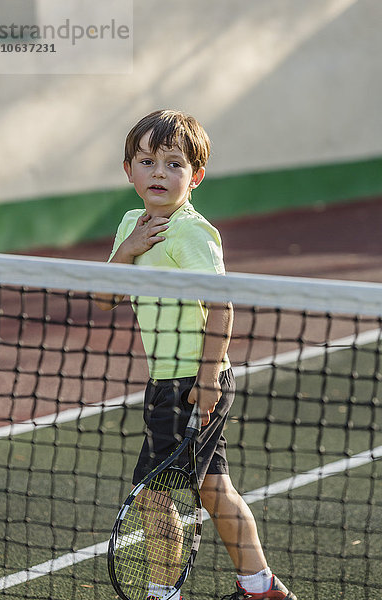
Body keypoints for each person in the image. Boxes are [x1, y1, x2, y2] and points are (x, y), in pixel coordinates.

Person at [95, 109, 297, 600]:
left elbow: (221, 307)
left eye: (173, 163)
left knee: (153, 495)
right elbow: (104, 295)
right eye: (147, 161)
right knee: (213, 488)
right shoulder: (132, 223)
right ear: (129, 171)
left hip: (191, 382)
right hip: (168, 380)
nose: (159, 172)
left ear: (195, 176)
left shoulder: (192, 233)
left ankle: (163, 593)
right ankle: (260, 586)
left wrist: (206, 380)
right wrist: (131, 247)